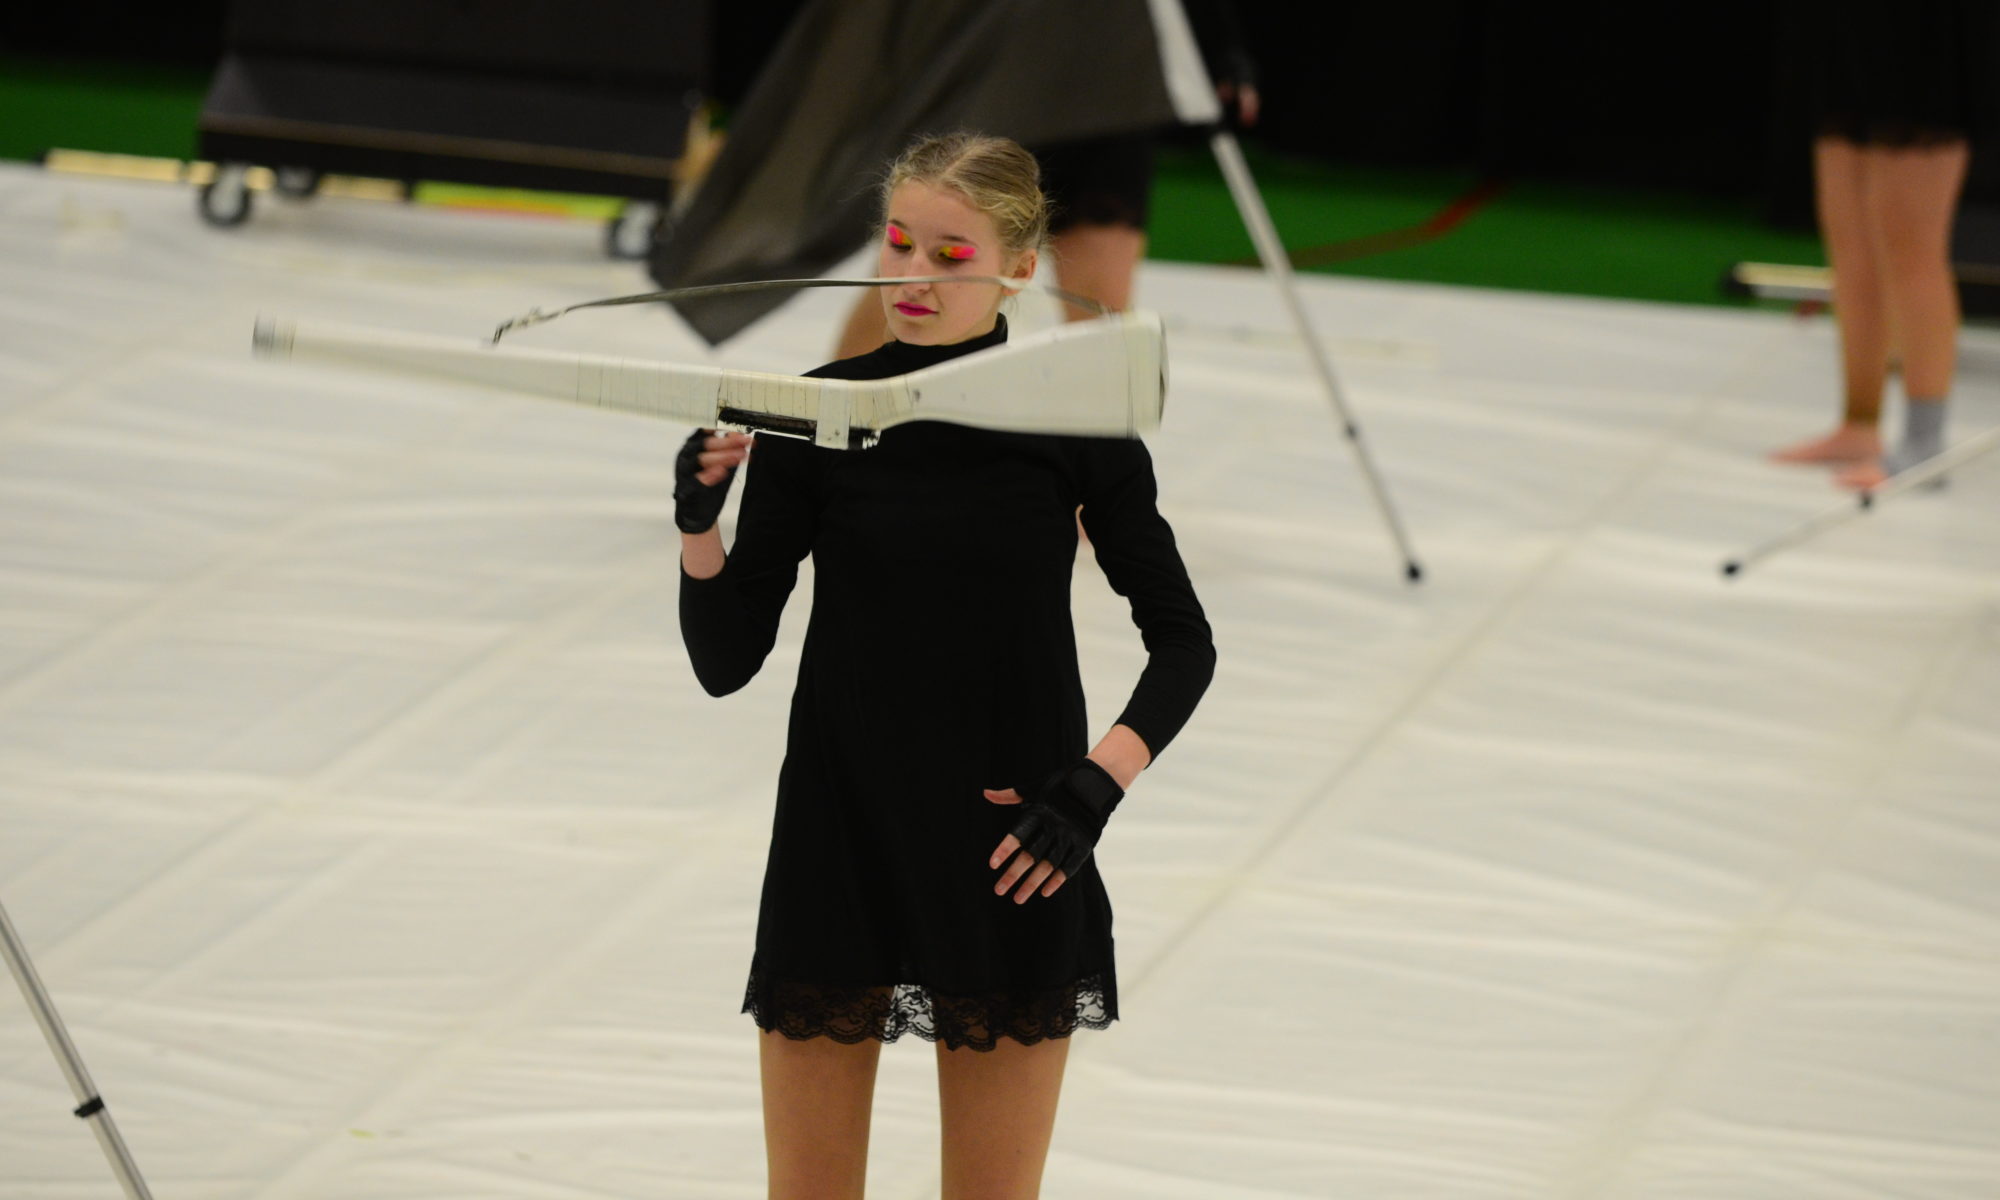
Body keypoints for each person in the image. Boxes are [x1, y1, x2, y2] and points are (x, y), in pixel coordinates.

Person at [674, 133, 1215, 1200]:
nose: (911, 277)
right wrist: (699, 529)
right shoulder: (818, 410)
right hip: (838, 833)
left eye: (950, 256)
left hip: (1010, 841)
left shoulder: (1074, 418)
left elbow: (1183, 642)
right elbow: (726, 660)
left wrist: (1093, 786)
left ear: (1019, 268)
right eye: (898, 244)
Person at [1770, 7, 1991, 489]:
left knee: (1910, 245)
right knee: (1851, 243)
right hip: (1851, 27)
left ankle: (1924, 444)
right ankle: (1859, 424)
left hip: (1919, 33)